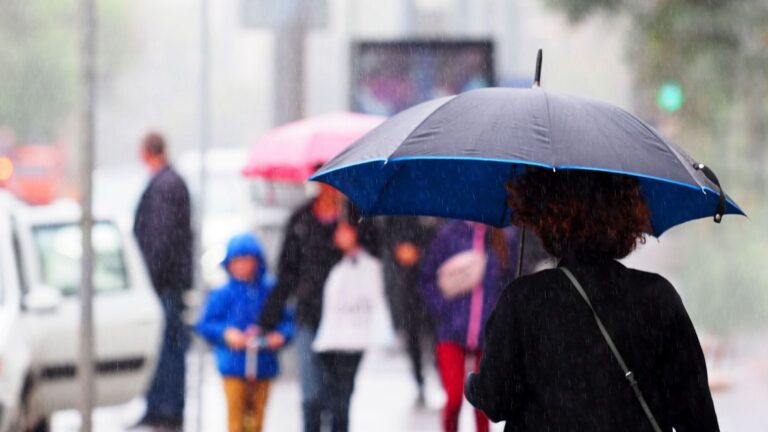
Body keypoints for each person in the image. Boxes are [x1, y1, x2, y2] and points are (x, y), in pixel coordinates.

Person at [465, 169, 720, 431]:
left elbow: (495, 400)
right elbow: (696, 415)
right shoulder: (658, 295)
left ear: (543, 217)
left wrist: (472, 384)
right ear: (627, 215)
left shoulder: (524, 299)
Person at [258, 182, 378, 432]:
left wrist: (354, 245)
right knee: (311, 397)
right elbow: (286, 273)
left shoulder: (358, 217)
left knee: (340, 400)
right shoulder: (300, 219)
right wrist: (266, 321)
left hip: (348, 321)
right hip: (310, 318)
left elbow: (378, 260)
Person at [421, 220, 519, 432]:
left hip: (488, 334)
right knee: (454, 397)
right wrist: (443, 309)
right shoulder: (448, 235)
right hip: (451, 332)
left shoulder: (503, 237)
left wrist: (502, 318)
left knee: (482, 402)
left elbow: (511, 284)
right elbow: (428, 278)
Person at [196, 233, 293, 432]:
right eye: (237, 261)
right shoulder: (223, 294)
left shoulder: (269, 291)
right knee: (236, 418)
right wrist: (226, 334)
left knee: (256, 419)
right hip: (233, 365)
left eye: (247, 260)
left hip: (264, 364)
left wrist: (280, 335)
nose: (242, 266)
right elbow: (206, 324)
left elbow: (288, 320)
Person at [132, 131, 193, 429]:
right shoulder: (169, 182)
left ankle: (165, 408)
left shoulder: (164, 185)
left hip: (164, 283)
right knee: (168, 345)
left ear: (146, 151)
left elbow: (159, 237)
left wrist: (150, 279)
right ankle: (163, 407)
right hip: (169, 281)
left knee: (167, 347)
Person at [312, 222, 386, 432]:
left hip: (354, 332)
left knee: (342, 394)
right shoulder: (310, 223)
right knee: (318, 395)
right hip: (317, 324)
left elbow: (379, 250)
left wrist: (354, 244)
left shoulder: (359, 217)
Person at [381, 216, 437, 404]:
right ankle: (419, 379)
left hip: (429, 281)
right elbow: (386, 238)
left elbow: (436, 237)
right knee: (412, 335)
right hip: (406, 284)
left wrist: (421, 251)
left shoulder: (432, 210)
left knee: (434, 334)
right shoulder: (396, 216)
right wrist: (399, 249)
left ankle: (437, 373)